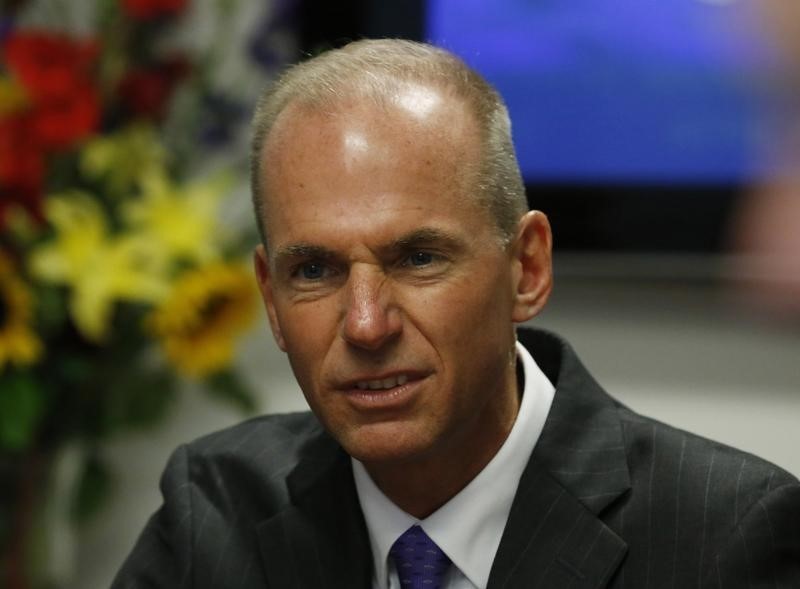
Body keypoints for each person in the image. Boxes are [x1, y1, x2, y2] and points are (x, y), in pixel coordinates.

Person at [112, 39, 800, 589]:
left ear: (526, 268)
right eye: (314, 270)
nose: (366, 324)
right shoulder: (217, 510)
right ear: (270, 296)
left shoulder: (724, 534)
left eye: (418, 258)